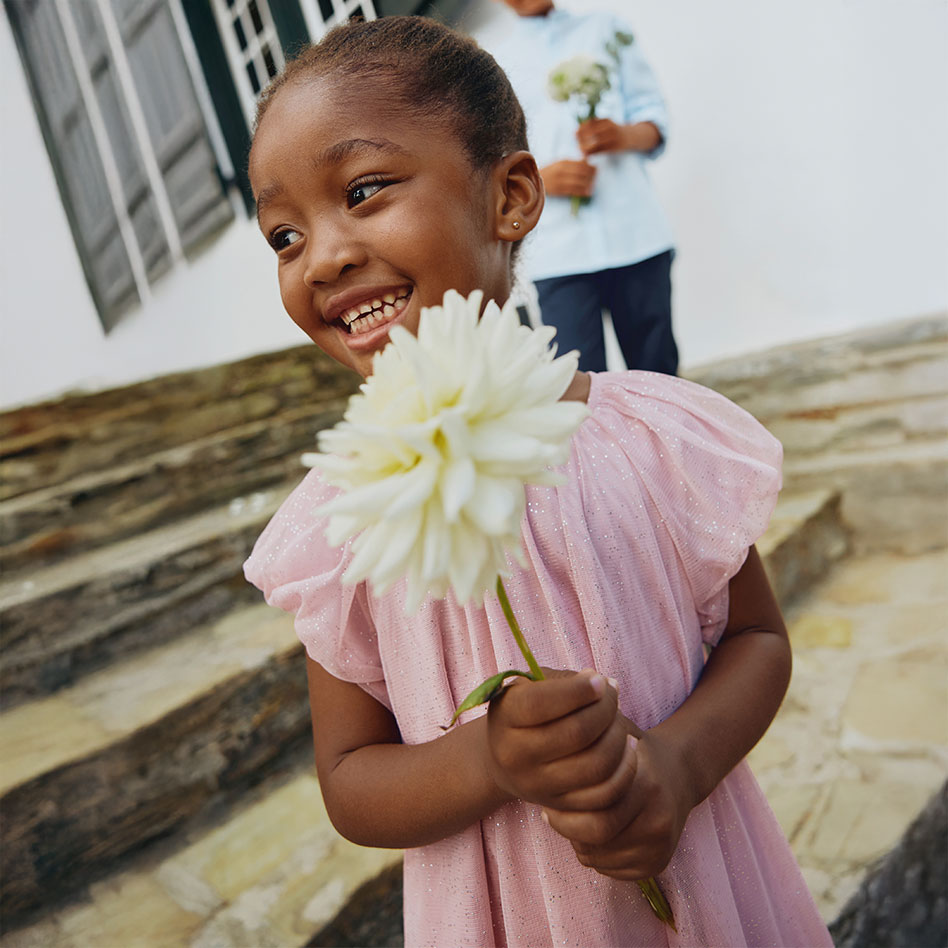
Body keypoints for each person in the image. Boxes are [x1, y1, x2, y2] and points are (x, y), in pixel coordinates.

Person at [244, 16, 832, 948]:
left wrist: (674, 770)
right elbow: (352, 780)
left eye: (363, 190)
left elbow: (758, 638)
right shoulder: (345, 517)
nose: (321, 257)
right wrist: (492, 758)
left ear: (511, 196)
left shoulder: (644, 438)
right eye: (282, 235)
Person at [486, 0, 679, 375]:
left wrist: (624, 135)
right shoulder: (496, 65)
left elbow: (654, 116)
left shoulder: (606, 30)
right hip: (560, 255)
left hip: (637, 237)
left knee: (660, 377)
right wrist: (539, 180)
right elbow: (492, 161)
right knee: (581, 391)